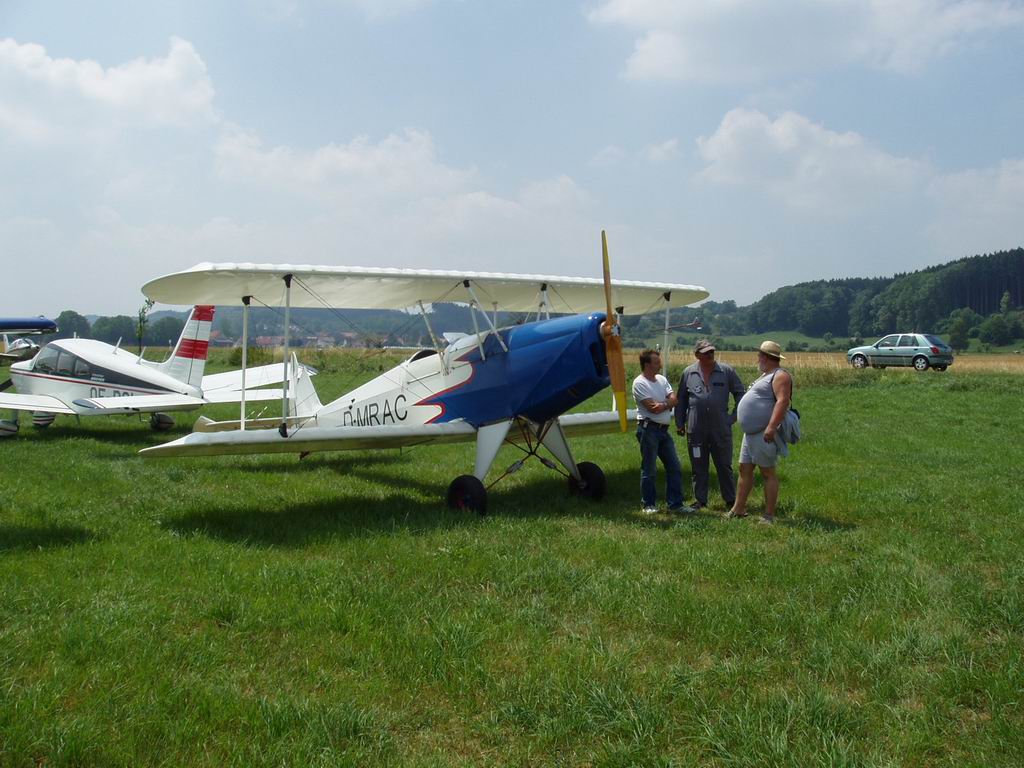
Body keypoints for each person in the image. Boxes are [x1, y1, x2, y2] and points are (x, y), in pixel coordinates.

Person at [674, 339, 745, 511]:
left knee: (724, 465)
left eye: (712, 351)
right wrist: (680, 423)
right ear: (697, 355)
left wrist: (733, 417)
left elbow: (740, 394)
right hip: (695, 429)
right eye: (706, 353)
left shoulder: (726, 371)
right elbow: (681, 399)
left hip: (720, 428)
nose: (710, 355)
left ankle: (730, 500)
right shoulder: (688, 373)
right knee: (698, 465)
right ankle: (700, 500)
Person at [728, 341, 794, 524]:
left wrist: (771, 427)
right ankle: (738, 509)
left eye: (760, 355)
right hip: (751, 434)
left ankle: (769, 515)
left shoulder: (780, 375)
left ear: (766, 357)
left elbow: (783, 401)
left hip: (763, 432)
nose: (758, 358)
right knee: (744, 469)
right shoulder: (766, 375)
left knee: (767, 472)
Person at [632, 349, 694, 514]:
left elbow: (674, 399)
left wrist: (664, 404)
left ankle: (675, 504)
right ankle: (648, 505)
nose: (660, 365)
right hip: (648, 430)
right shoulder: (639, 383)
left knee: (674, 467)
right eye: (656, 362)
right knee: (649, 469)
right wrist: (667, 404)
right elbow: (653, 408)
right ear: (647, 365)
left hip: (663, 431)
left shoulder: (662, 379)